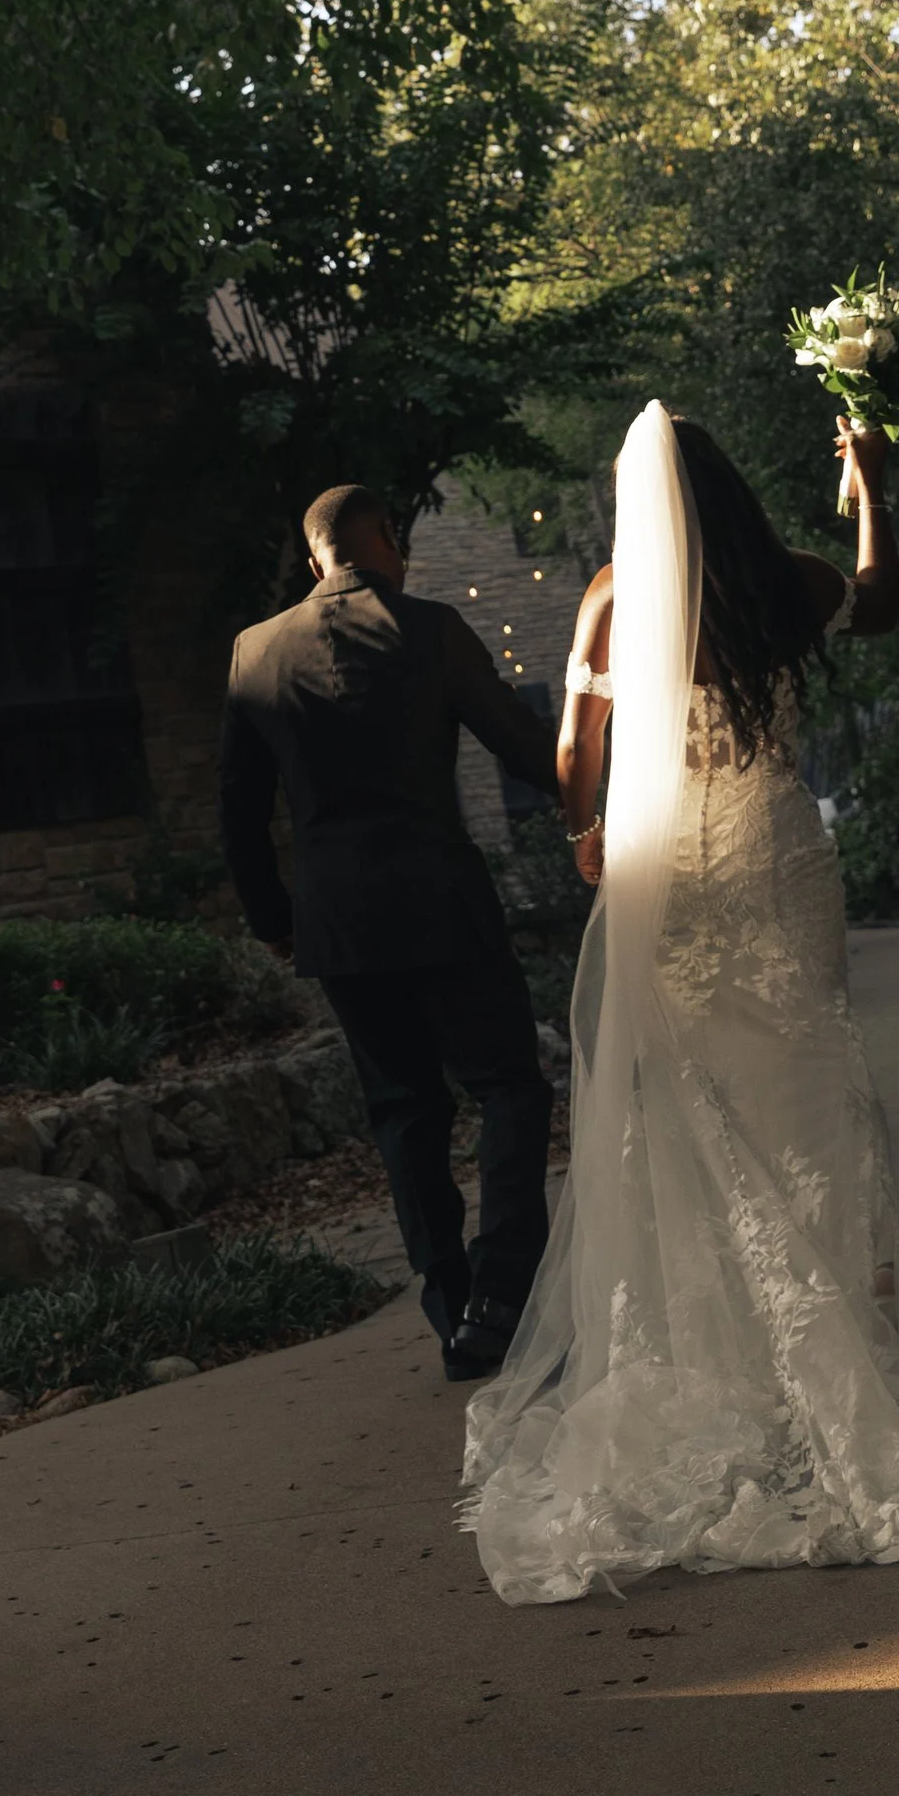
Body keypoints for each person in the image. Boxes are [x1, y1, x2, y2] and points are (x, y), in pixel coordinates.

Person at [459, 402, 899, 1604]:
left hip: (679, 867)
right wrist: (867, 482)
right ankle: (854, 1325)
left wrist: (588, 833)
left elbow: (571, 750)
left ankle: (745, 1336)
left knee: (696, 1100)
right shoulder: (787, 576)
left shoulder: (614, 596)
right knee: (815, 1080)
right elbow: (882, 599)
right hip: (780, 850)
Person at [219, 482, 560, 1383]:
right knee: (510, 1088)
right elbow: (524, 749)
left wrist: (275, 924)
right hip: (441, 901)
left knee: (404, 1111)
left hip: (338, 923)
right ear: (384, 541)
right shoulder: (432, 629)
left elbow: (240, 816)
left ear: (314, 555)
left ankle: (452, 1311)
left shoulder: (255, 652)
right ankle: (502, 1292)